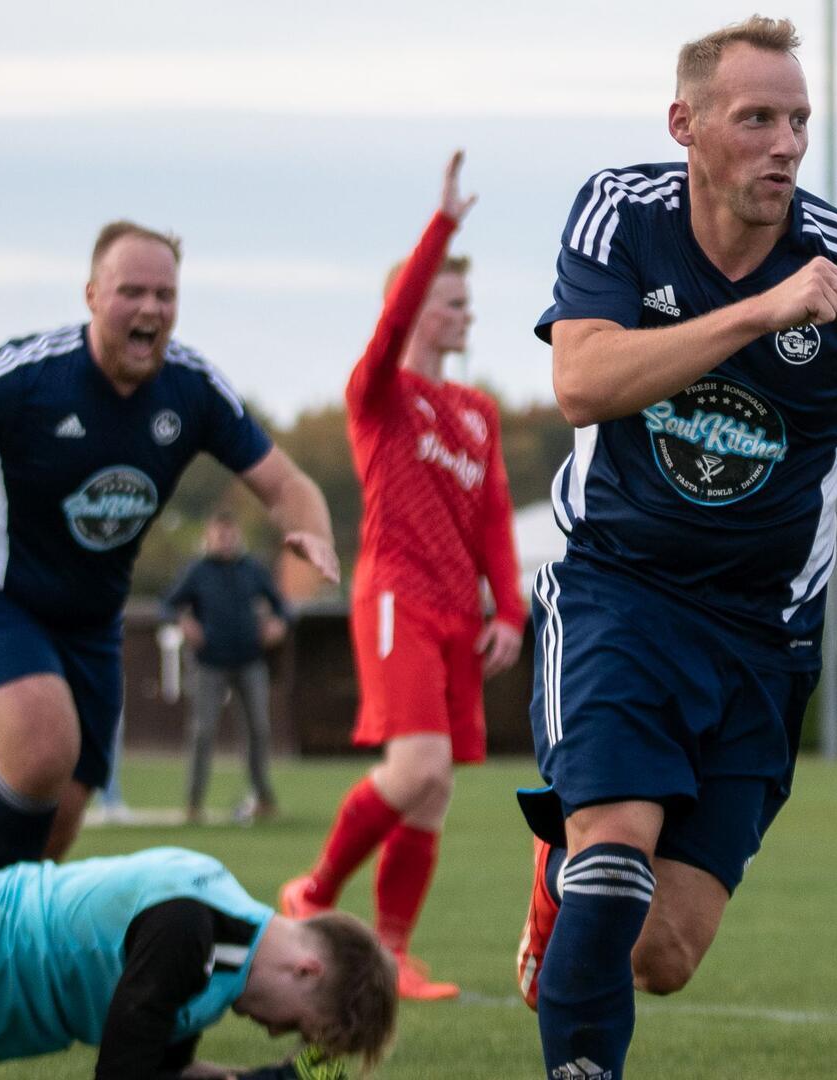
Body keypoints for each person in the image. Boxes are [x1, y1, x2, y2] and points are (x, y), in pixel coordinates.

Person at [515, 16, 837, 1078]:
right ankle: (581, 861)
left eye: (798, 120)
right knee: (612, 874)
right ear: (686, 126)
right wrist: (758, 312)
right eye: (757, 119)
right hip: (617, 588)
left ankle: (557, 865)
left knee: (663, 952)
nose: (785, 144)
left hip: (762, 630)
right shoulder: (622, 214)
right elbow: (580, 385)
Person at [0, 222, 339, 871]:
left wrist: (313, 529)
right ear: (91, 295)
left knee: (60, 823)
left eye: (164, 295)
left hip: (89, 621)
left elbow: (286, 483)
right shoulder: (28, 376)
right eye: (130, 291)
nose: (149, 309)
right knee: (41, 750)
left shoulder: (192, 390)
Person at [279, 152, 524, 1003]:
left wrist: (512, 612)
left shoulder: (477, 411)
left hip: (462, 610)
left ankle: (388, 956)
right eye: (452, 301)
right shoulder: (379, 392)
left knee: (435, 791)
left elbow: (495, 516)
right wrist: (443, 227)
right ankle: (312, 893)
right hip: (395, 598)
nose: (466, 315)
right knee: (416, 766)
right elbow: (390, 328)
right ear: (417, 302)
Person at [0, 844, 395, 1080]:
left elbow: (157, 1068)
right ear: (306, 972)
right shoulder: (188, 932)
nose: (276, 1032)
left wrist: (275, 1079)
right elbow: (123, 1072)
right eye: (299, 1027)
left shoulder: (221, 953)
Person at [164, 510, 292, 825]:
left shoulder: (252, 570)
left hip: (250, 661)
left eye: (230, 533)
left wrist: (279, 624)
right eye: (219, 534)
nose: (225, 540)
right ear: (210, 536)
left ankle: (263, 797)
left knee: (259, 730)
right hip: (210, 664)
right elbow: (166, 605)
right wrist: (185, 622)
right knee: (203, 731)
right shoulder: (197, 571)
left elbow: (283, 607)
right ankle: (194, 803)